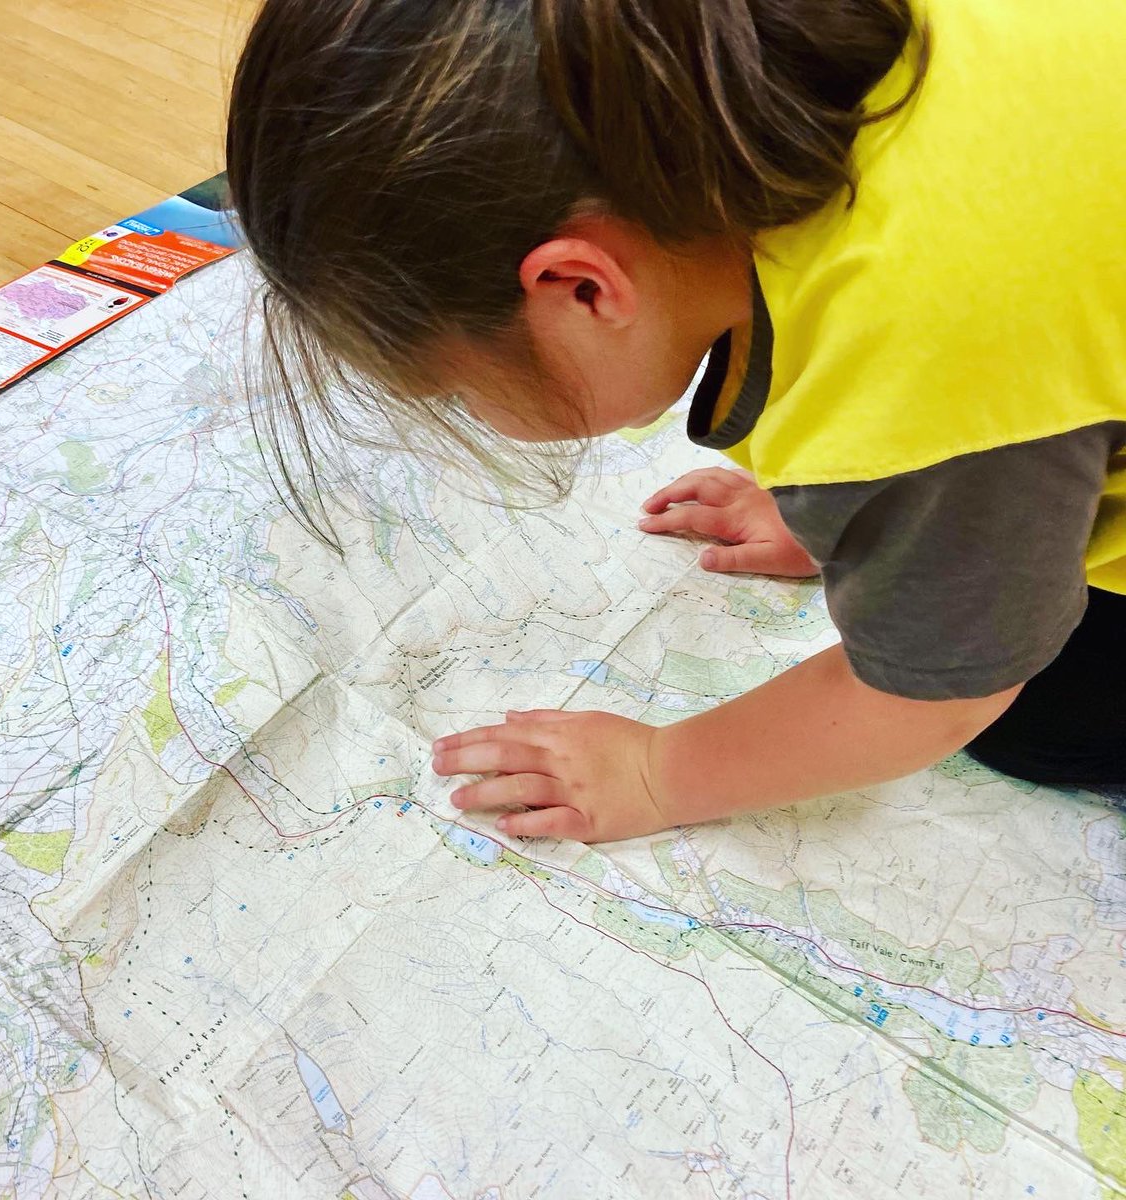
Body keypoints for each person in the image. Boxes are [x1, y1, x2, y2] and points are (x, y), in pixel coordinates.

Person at [226, 0, 1126, 843]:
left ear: (582, 288)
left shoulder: (917, 353)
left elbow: (939, 696)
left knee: (1036, 716)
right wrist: (855, 508)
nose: (474, 413)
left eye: (458, 391)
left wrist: (658, 773)